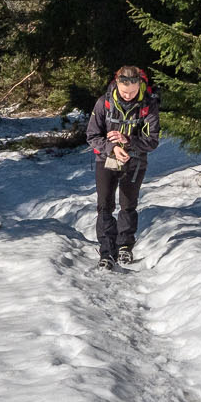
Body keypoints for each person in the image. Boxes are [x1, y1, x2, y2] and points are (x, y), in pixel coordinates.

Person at [85, 64, 161, 267]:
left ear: (140, 86)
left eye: (133, 92)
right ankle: (107, 251)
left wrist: (127, 140)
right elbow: (92, 136)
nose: (128, 96)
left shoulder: (148, 105)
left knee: (128, 205)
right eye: (124, 92)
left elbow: (152, 140)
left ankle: (125, 247)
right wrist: (111, 147)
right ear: (116, 84)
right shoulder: (104, 103)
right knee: (104, 206)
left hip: (135, 161)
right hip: (106, 160)